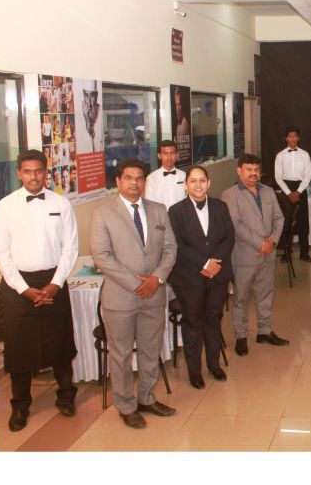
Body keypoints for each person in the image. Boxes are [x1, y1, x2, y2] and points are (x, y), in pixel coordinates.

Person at [0, 150, 79, 432]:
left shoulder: (61, 203)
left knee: (61, 342)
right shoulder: (6, 206)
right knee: (20, 348)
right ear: (19, 173)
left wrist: (55, 283)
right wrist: (25, 289)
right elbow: (2, 254)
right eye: (27, 171)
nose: (33, 177)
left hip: (54, 279)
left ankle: (66, 396)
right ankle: (20, 405)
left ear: (46, 172)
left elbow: (70, 247)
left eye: (39, 171)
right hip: (18, 284)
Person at [90, 158, 178, 429]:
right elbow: (101, 256)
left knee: (151, 351)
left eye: (139, 178)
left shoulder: (159, 210)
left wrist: (157, 278)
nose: (134, 183)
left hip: (154, 295)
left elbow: (170, 249)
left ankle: (147, 398)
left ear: (145, 182)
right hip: (121, 298)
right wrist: (136, 283)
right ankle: (126, 405)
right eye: (128, 178)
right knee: (121, 355)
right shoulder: (103, 213)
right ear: (118, 181)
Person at [168, 165, 235, 389]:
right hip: (189, 278)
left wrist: (214, 263)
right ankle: (194, 371)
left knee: (213, 319)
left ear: (209, 183)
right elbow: (177, 244)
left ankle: (214, 365)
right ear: (186, 185)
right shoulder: (175, 211)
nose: (198, 185)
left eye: (202, 180)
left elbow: (229, 237)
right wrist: (204, 263)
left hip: (218, 275)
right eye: (193, 181)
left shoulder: (220, 207)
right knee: (193, 323)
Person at [221, 154, 289, 357]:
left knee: (266, 294)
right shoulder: (230, 195)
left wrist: (272, 242)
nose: (253, 173)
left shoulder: (268, 191)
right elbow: (235, 225)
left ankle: (264, 331)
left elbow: (279, 218)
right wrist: (261, 243)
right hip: (244, 256)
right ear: (239, 171)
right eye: (248, 169)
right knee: (241, 298)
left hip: (268, 254)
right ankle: (241, 336)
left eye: (256, 170)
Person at [273, 126, 311, 262]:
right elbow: (278, 177)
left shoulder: (305, 155)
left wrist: (298, 191)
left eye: (295, 136)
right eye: (290, 136)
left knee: (303, 222)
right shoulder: (280, 155)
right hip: (286, 189)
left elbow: (308, 176)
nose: (292, 138)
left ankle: (304, 253)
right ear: (286, 138)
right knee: (287, 222)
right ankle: (286, 253)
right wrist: (289, 193)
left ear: (298, 138)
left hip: (301, 188)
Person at [144, 140, 187, 209]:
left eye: (172, 153)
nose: (169, 157)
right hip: (160, 214)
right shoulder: (151, 178)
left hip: (181, 214)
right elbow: (149, 203)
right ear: (159, 156)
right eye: (165, 153)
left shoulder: (184, 176)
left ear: (177, 155)